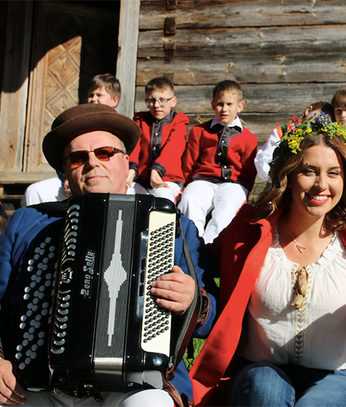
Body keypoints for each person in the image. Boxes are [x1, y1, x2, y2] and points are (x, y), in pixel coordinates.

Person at [0, 104, 216, 407]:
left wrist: (193, 299)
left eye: (105, 153)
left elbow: (212, 318)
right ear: (65, 170)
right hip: (34, 386)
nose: (92, 164)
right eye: (78, 158)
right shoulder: (27, 222)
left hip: (136, 384)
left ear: (126, 162)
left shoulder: (173, 225)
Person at [189, 113, 346, 407]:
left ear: (345, 180)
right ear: (288, 174)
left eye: (333, 173)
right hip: (258, 372)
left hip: (338, 376)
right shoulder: (250, 229)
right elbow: (201, 259)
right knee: (266, 392)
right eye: (309, 171)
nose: (322, 184)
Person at [21, 74, 122, 207]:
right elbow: (65, 155)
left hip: (115, 180)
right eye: (91, 95)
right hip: (74, 179)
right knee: (34, 191)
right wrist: (66, 177)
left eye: (99, 95)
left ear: (115, 101)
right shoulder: (76, 122)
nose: (93, 99)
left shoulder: (122, 127)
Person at [179, 80, 258, 243]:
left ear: (240, 106)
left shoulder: (249, 138)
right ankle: (191, 247)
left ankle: (210, 250)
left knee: (227, 207)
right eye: (220, 104)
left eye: (230, 104)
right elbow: (189, 162)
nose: (224, 109)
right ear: (213, 105)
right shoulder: (199, 131)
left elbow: (250, 171)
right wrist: (184, 185)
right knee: (190, 200)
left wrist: (245, 191)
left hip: (233, 183)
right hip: (202, 180)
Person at [128, 77, 188, 204]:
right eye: (151, 100)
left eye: (162, 100)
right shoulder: (140, 119)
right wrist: (131, 171)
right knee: (128, 194)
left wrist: (157, 170)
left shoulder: (179, 120)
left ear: (173, 101)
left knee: (162, 199)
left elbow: (174, 147)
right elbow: (135, 145)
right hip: (141, 180)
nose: (156, 105)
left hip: (168, 180)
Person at [254, 101, 334, 181]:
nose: (320, 122)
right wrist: (277, 177)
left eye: (326, 121)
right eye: (319, 117)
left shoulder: (321, 139)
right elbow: (264, 159)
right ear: (308, 110)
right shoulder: (284, 131)